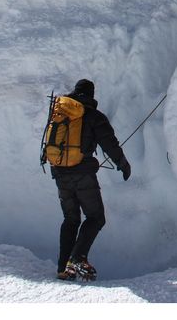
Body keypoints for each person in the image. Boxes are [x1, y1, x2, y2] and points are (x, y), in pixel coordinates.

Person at [50, 79, 131, 281]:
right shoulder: (94, 116)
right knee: (96, 218)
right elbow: (109, 143)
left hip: (60, 174)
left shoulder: (60, 114)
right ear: (91, 95)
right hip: (83, 175)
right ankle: (77, 258)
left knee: (71, 219)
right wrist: (122, 163)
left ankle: (63, 268)